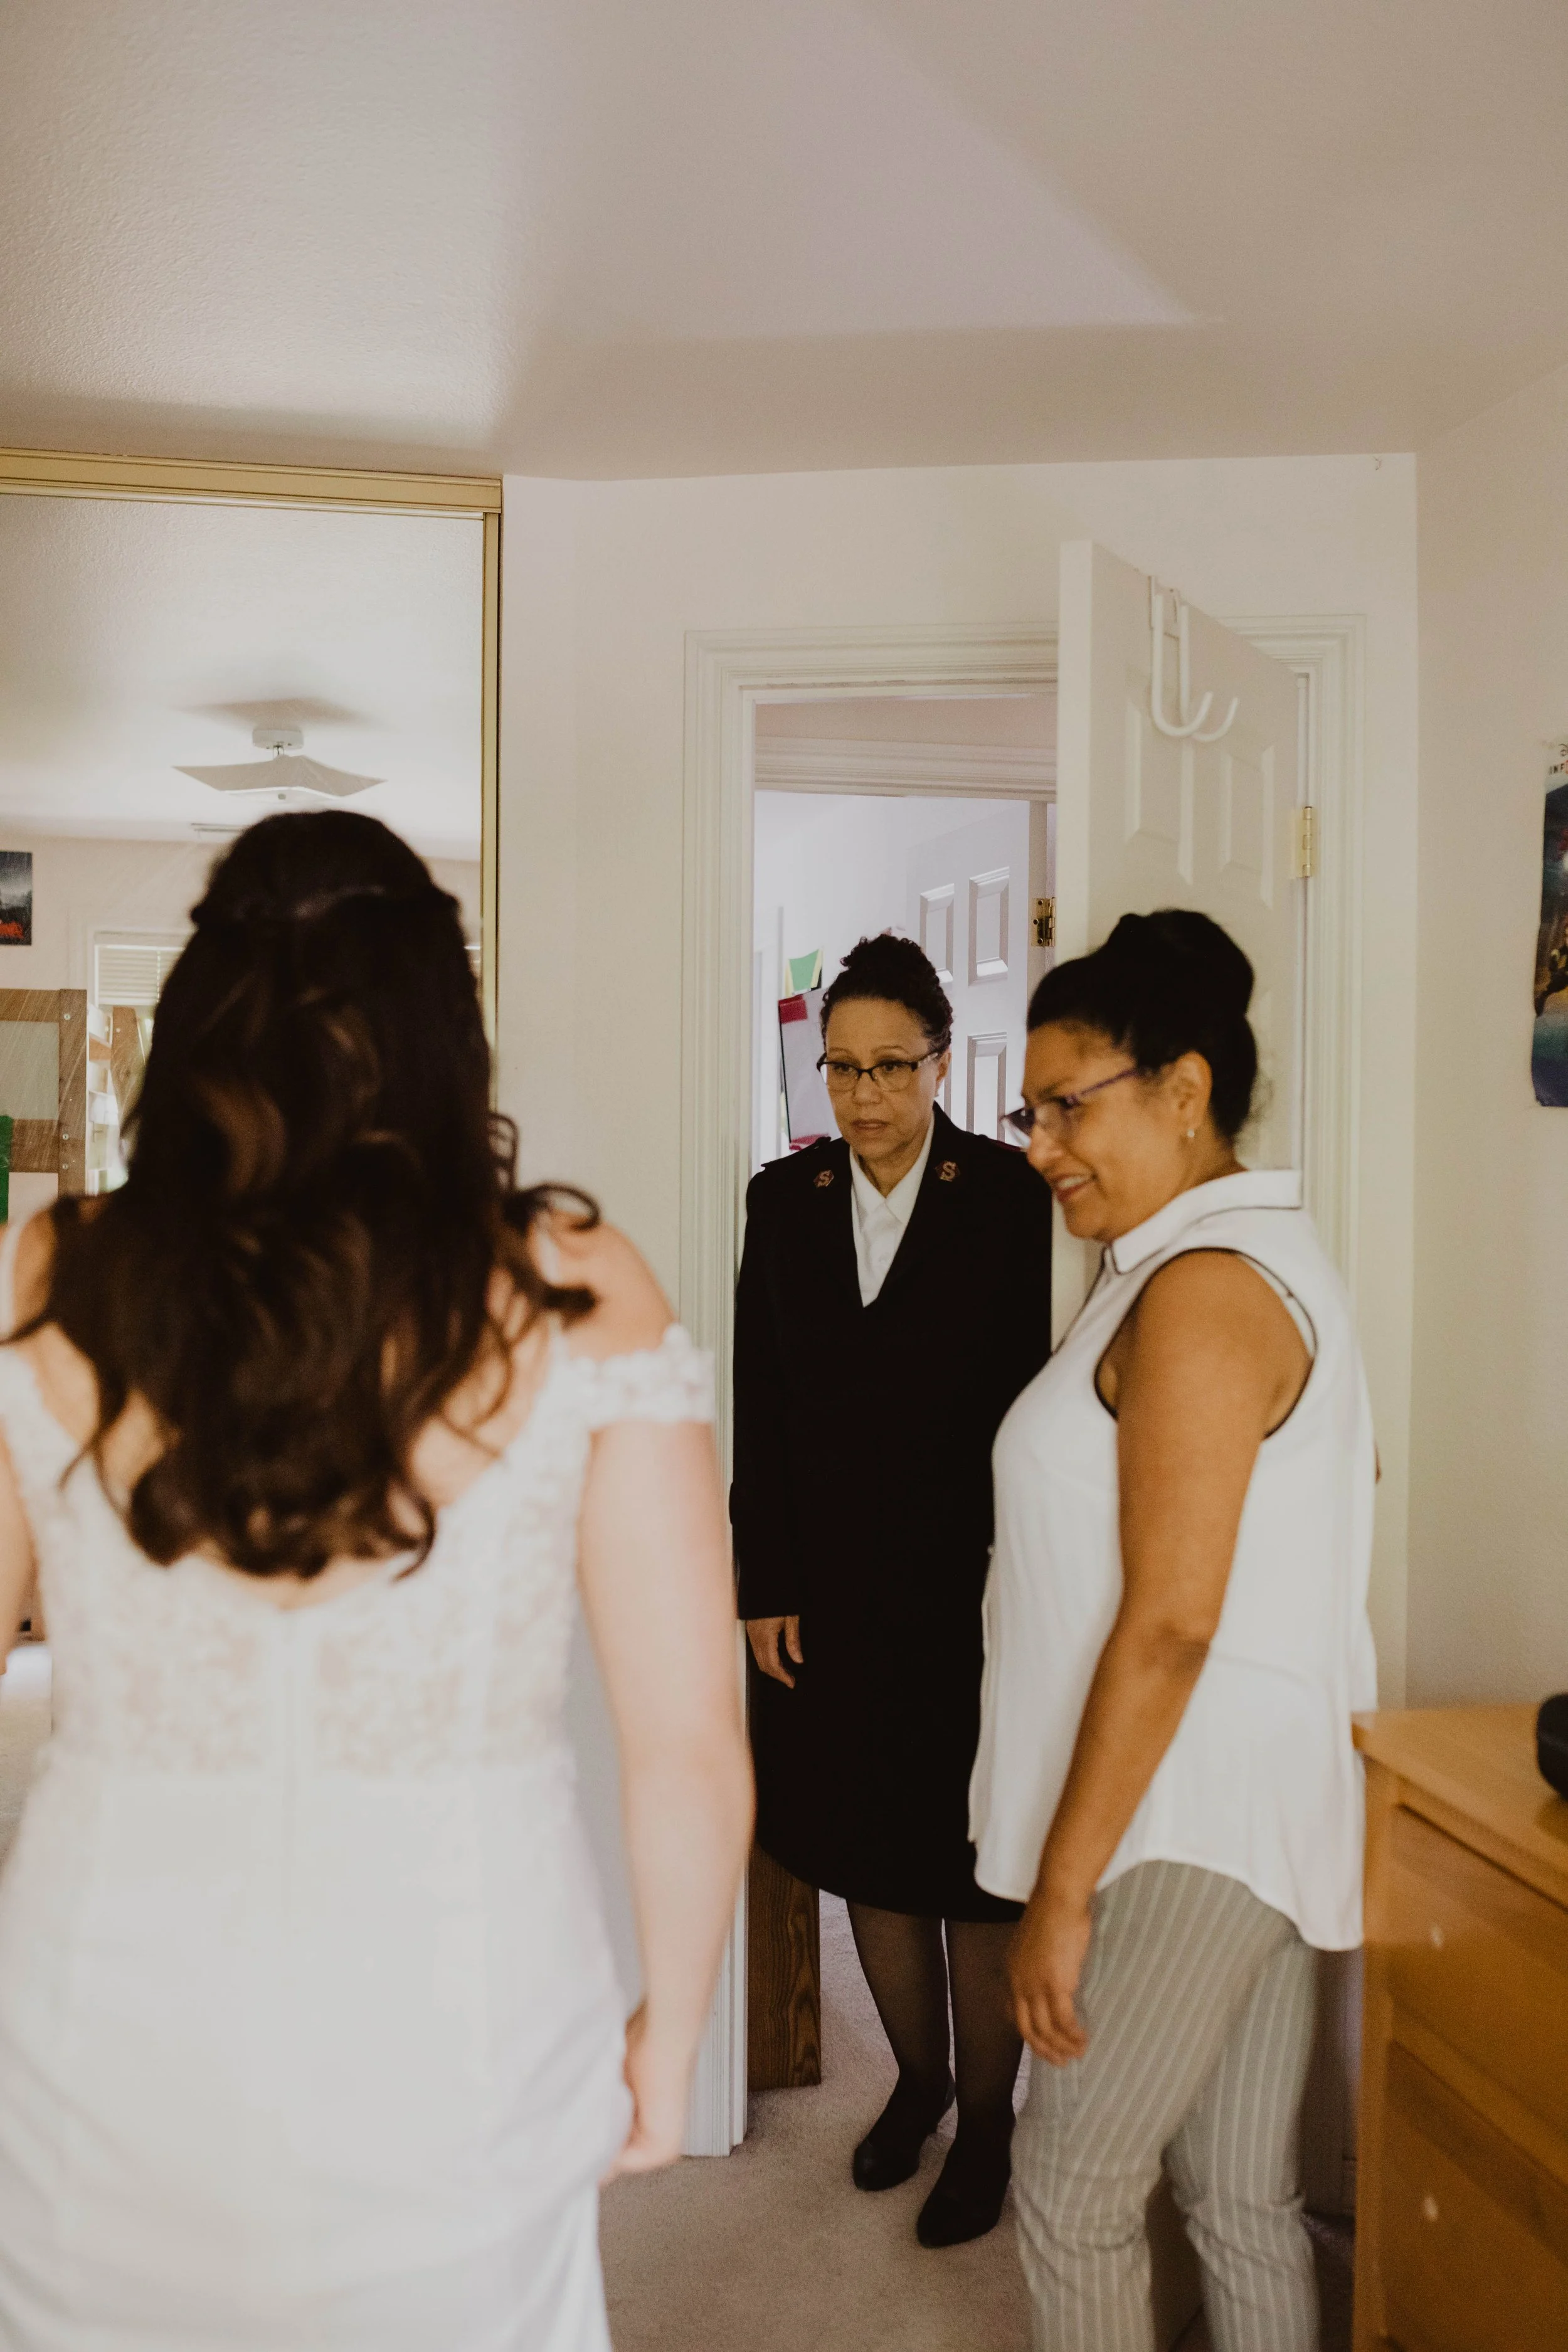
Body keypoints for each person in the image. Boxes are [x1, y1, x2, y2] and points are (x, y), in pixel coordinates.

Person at [0, 811, 751, 2352]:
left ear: (199, 1023)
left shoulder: (53, 1265)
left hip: (107, 2012)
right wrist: (668, 2041)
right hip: (459, 2015)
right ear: (442, 1031)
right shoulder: (574, 1281)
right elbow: (688, 1745)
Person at [970, 909, 1376, 2352]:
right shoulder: (1186, 1265)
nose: (1037, 1142)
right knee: (1236, 2198)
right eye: (1031, 1111)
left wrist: (1063, 1890)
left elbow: (1168, 1623)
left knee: (1071, 2190)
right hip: (1241, 1808)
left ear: (1184, 1090)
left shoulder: (1201, 1291)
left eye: (1068, 1104)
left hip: (1178, 1821)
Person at [733, 931, 1053, 2247]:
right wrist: (763, 1582)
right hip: (828, 1595)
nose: (862, 1097)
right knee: (867, 1850)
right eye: (840, 1069)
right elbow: (759, 1402)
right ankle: (913, 2088)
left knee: (971, 1870)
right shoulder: (782, 1198)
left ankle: (985, 2126)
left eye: (889, 1068)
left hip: (972, 1596)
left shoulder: (1013, 1197)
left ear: (939, 1063)